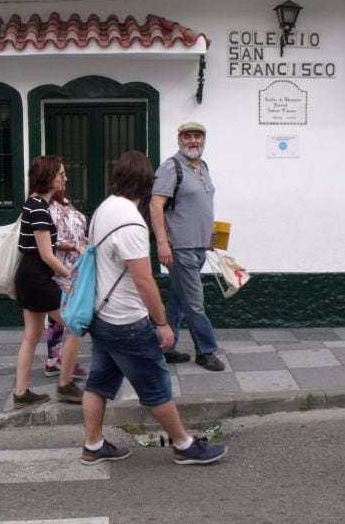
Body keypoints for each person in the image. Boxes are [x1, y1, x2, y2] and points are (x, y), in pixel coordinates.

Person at [81, 151, 228, 465]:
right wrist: (162, 323)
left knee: (99, 382)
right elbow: (144, 281)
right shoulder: (132, 222)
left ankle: (93, 445)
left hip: (101, 314)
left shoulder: (104, 208)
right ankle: (183, 444)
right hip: (125, 321)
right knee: (156, 385)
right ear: (148, 185)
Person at [149, 122, 225, 372]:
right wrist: (162, 244)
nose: (193, 141)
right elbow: (156, 205)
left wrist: (210, 239)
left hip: (200, 247)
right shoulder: (171, 167)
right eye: (187, 136)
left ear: (204, 139)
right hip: (180, 248)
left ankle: (164, 348)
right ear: (179, 139)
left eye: (198, 136)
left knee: (178, 303)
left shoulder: (203, 166)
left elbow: (200, 207)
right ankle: (206, 351)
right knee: (194, 303)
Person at [13, 156, 84, 408]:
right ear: (47, 177)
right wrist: (72, 276)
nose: (65, 178)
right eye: (61, 174)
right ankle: (65, 385)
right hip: (37, 278)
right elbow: (46, 255)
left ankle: (21, 393)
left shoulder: (31, 204)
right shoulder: (40, 209)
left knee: (31, 336)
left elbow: (44, 249)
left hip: (29, 277)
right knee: (76, 325)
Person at [44, 189, 88, 380]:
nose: (65, 180)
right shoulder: (46, 207)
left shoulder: (65, 201)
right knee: (70, 315)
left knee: (58, 317)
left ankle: (53, 361)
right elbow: (52, 241)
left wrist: (84, 241)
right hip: (60, 268)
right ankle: (64, 360)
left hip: (74, 265)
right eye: (61, 175)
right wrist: (73, 246)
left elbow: (75, 228)